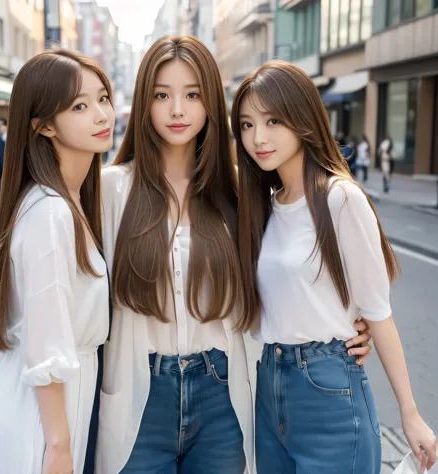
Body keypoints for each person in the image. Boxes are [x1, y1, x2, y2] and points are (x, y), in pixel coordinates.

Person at [93, 35, 373, 474]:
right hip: (140, 392)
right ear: (144, 102)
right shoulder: (113, 190)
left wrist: (346, 325)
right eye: (162, 96)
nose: (178, 110)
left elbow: (290, 264)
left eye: (192, 95)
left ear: (211, 104)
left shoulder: (240, 192)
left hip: (220, 396)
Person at [231, 61, 436, 474]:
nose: (258, 137)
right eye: (248, 124)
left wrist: (409, 413)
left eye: (272, 120)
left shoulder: (340, 199)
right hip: (270, 387)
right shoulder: (262, 207)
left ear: (303, 117)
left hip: (328, 388)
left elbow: (378, 312)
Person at [0, 49, 114, 474]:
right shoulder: (50, 212)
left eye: (102, 98)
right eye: (80, 106)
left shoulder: (66, 202)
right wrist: (59, 446)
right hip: (46, 413)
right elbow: (47, 347)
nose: (101, 115)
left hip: (51, 401)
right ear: (44, 125)